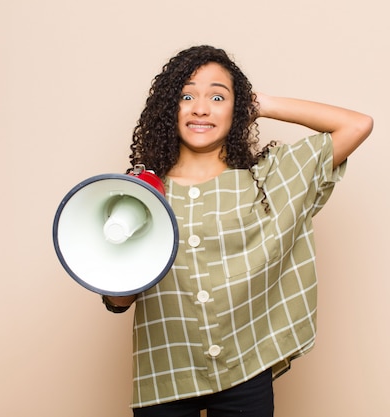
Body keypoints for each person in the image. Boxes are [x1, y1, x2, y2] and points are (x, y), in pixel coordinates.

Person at [101, 45, 373, 417]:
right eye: (186, 95)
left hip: (246, 370)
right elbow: (119, 302)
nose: (201, 108)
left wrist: (259, 102)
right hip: (165, 372)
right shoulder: (142, 192)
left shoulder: (268, 180)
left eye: (218, 96)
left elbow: (357, 125)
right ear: (169, 108)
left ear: (237, 108)